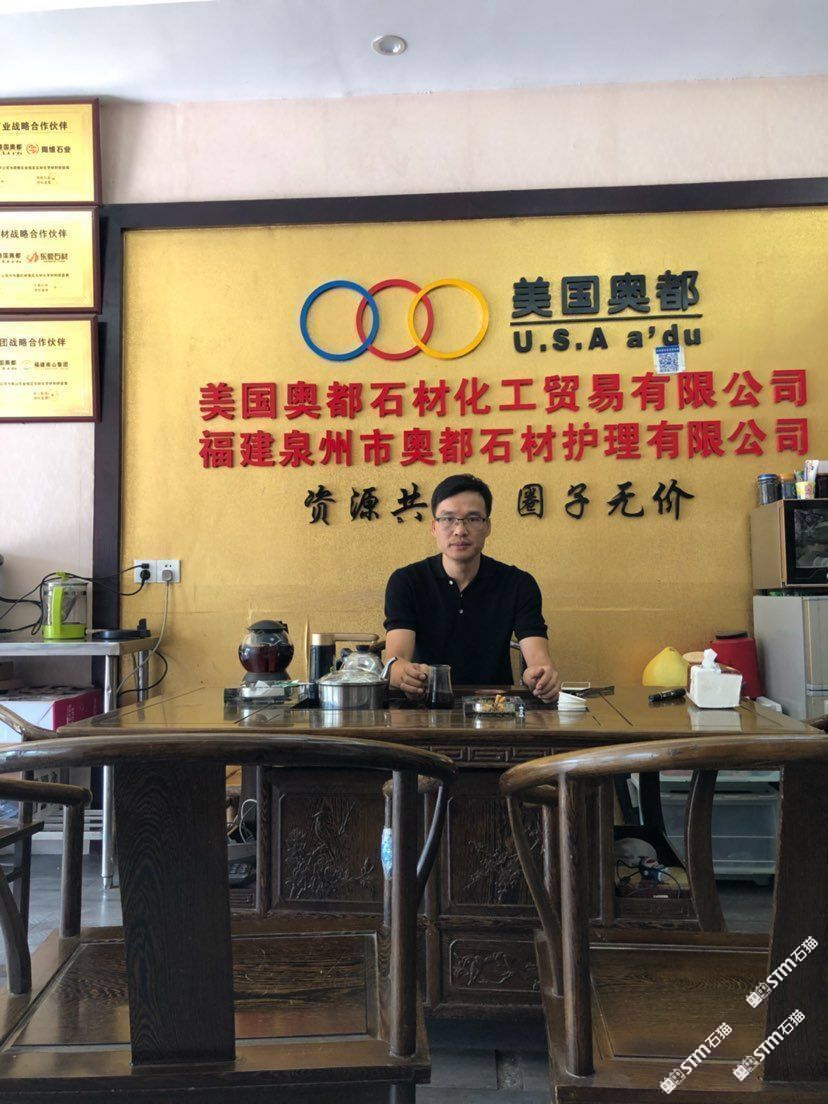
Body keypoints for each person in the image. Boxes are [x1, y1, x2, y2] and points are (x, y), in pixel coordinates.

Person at [383, 473, 560, 702]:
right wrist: (402, 673)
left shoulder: (518, 583)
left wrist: (540, 676)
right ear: (434, 527)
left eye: (473, 519)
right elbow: (396, 659)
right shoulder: (406, 581)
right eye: (448, 519)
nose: (460, 530)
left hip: (495, 709)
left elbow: (538, 660)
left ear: (487, 526)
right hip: (425, 706)